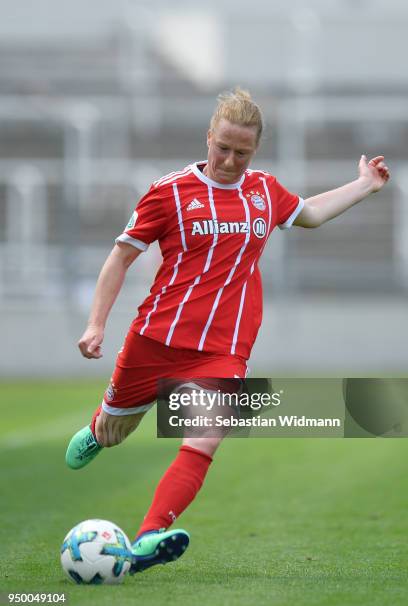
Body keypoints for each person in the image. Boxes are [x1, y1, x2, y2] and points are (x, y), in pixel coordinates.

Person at [65, 88, 390, 574]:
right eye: (223, 148)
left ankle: (149, 539)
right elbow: (121, 256)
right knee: (116, 432)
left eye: (242, 152)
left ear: (255, 151)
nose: (230, 160)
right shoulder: (169, 191)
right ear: (209, 137)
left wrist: (364, 184)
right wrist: (95, 324)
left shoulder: (263, 190)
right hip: (156, 340)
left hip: (224, 352)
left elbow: (311, 214)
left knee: (203, 438)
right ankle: (98, 429)